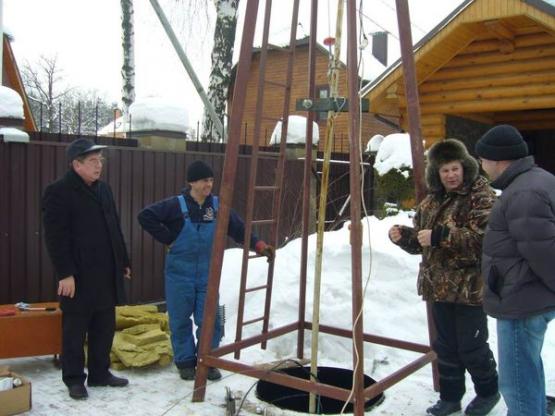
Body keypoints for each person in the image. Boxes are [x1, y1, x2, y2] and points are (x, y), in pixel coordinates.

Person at [388, 139, 500, 416]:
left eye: (454, 168)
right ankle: (451, 398)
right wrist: (406, 237)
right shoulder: (431, 201)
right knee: (445, 347)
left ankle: (488, 392)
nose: (451, 175)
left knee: (472, 346)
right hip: (437, 287)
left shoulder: (481, 195)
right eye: (444, 170)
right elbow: (422, 244)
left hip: (469, 288)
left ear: (464, 167)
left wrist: (441, 236)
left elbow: (486, 240)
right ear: (436, 174)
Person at [137, 160, 275, 381]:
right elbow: (145, 216)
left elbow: (239, 229)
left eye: (211, 180)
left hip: (208, 275)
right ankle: (185, 362)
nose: (208, 185)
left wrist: (259, 245)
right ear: (192, 182)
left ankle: (208, 359)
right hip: (179, 275)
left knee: (214, 319)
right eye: (204, 181)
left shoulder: (218, 207)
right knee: (179, 319)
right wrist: (168, 238)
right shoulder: (175, 205)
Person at [42, 138, 131, 400]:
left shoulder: (104, 190)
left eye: (100, 161)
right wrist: (64, 273)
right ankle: (74, 379)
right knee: (75, 329)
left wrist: (123, 261)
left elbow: (114, 227)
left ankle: (100, 373)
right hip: (77, 276)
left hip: (105, 272)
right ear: (76, 164)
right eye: (93, 161)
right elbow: (55, 237)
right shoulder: (58, 191)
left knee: (103, 326)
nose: (99, 165)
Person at [475, 124, 555, 416]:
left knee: (517, 381)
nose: (481, 166)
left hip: (522, 300)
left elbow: (542, 249)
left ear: (498, 159)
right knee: (528, 368)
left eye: (482, 159)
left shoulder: (523, 193)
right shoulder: (535, 181)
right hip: (527, 294)